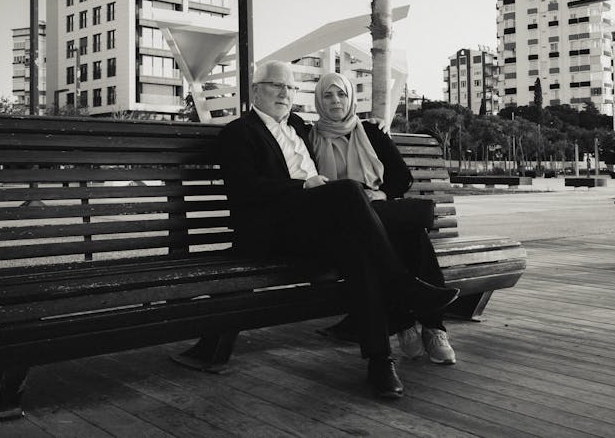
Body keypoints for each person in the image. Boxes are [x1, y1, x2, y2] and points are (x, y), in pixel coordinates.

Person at [180, 60, 458, 399]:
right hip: (273, 232)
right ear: (255, 90)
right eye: (276, 85)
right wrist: (302, 186)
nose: (284, 93)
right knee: (351, 192)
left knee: (366, 246)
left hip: (315, 229)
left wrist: (371, 125)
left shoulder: (299, 126)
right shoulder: (239, 132)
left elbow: (338, 125)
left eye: (290, 87)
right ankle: (403, 287)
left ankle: (380, 362)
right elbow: (244, 189)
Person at [310, 72, 457, 365]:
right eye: (327, 95)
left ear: (351, 98)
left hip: (379, 209)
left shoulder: (371, 131)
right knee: (400, 235)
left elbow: (401, 176)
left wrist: (382, 193)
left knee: (409, 234)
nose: (336, 100)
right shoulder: (308, 137)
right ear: (318, 101)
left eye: (341, 94)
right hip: (341, 222)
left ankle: (433, 329)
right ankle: (407, 324)